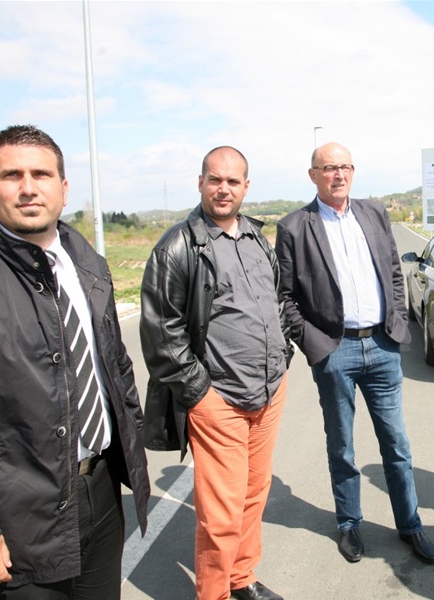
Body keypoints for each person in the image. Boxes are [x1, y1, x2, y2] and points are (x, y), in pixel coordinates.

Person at [0, 125, 150, 599]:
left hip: (101, 491)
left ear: (63, 188)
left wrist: (133, 444)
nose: (28, 188)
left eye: (41, 174)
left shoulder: (88, 265)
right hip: (20, 512)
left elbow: (115, 367)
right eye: (11, 175)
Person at [275, 142, 434, 565]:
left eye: (345, 167)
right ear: (313, 175)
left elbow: (394, 273)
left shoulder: (374, 213)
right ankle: (349, 524)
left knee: (396, 444)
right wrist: (314, 343)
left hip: (382, 346)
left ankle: (410, 525)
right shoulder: (294, 227)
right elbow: (285, 296)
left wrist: (397, 321)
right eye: (330, 168)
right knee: (342, 445)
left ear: (353, 171)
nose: (339, 175)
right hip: (336, 350)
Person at [140, 146, 292, 600]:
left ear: (246, 187)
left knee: (254, 494)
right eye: (215, 179)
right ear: (201, 183)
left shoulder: (257, 238)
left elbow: (276, 302)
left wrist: (282, 355)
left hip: (269, 392)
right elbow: (161, 334)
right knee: (221, 513)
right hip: (219, 399)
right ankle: (214, 593)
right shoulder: (176, 247)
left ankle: (242, 578)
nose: (223, 189)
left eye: (233, 181)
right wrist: (200, 394)